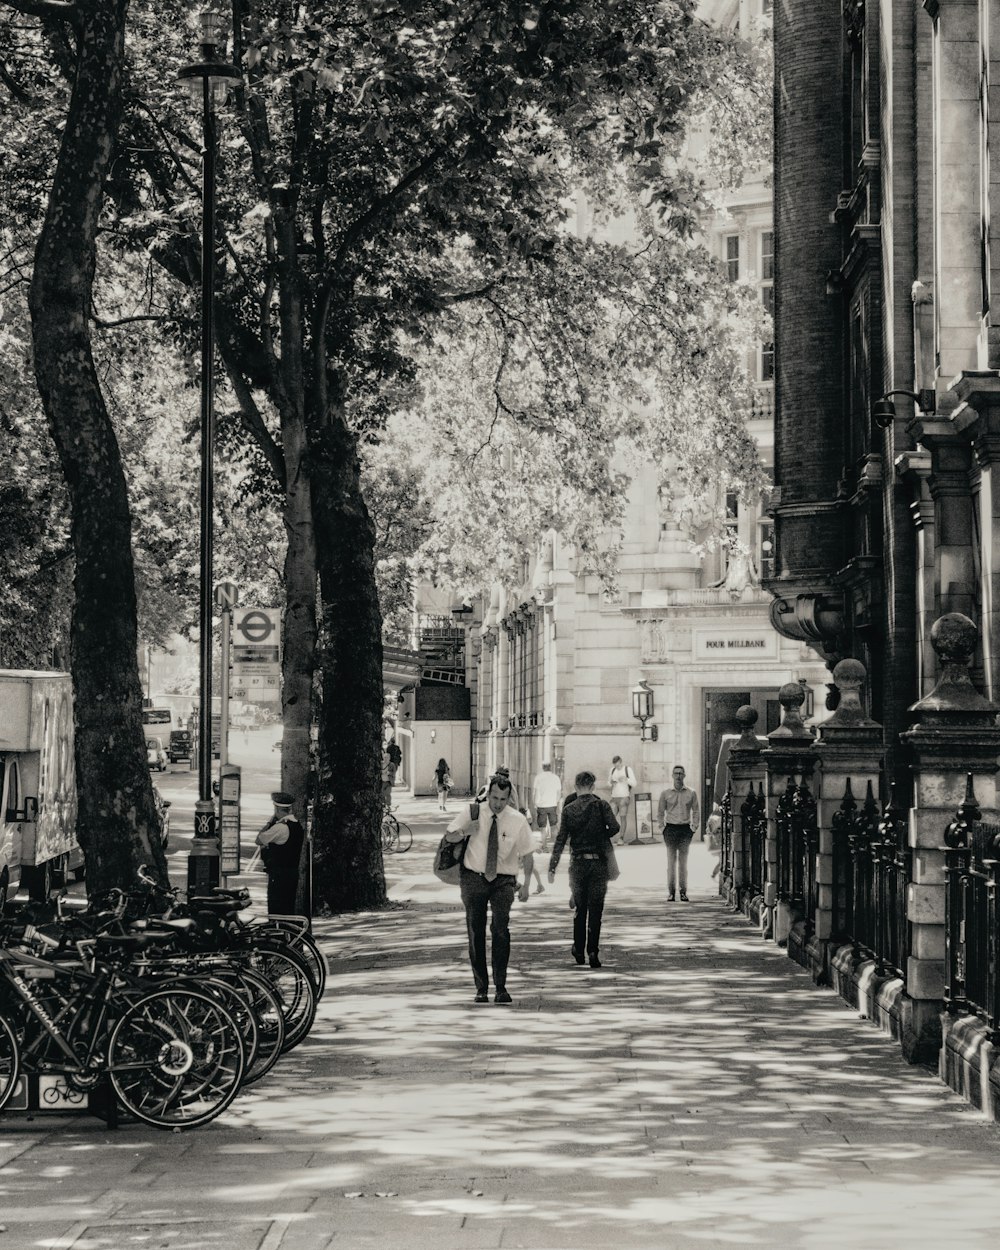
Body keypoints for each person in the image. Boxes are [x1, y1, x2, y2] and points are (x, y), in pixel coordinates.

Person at [445, 773, 534, 1004]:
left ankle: (501, 986)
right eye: (494, 798)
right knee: (476, 931)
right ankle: (481, 987)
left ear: (509, 798)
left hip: (503, 880)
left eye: (502, 799)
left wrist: (527, 884)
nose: (497, 804)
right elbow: (450, 835)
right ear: (488, 794)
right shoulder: (473, 811)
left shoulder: (517, 820)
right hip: (474, 877)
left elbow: (527, 852)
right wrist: (467, 830)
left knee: (501, 929)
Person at [547, 770, 619, 968]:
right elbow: (615, 827)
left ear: (576, 786)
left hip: (578, 864)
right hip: (598, 864)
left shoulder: (569, 809)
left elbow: (561, 839)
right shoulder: (601, 805)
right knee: (596, 910)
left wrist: (552, 866)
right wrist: (600, 833)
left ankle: (579, 949)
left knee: (580, 908)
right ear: (593, 786)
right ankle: (593, 951)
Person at [255, 791, 305, 916]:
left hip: (278, 875)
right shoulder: (297, 826)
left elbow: (259, 839)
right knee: (287, 910)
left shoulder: (280, 828)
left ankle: (278, 935)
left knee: (276, 911)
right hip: (292, 873)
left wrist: (269, 823)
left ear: (277, 809)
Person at [657, 765, 700, 902]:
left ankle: (683, 892)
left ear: (685, 775)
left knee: (683, 863)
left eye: (681, 773)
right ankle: (671, 892)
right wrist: (662, 827)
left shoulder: (691, 793)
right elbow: (660, 812)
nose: (678, 776)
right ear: (672, 775)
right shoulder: (665, 793)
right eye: (676, 773)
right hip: (670, 829)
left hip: (685, 830)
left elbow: (696, 811)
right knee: (671, 863)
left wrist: (694, 827)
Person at [532, 761, 562, 849]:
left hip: (541, 805)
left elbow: (535, 792)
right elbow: (559, 793)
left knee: (542, 827)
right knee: (553, 826)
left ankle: (544, 847)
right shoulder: (556, 778)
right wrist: (556, 802)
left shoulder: (538, 778)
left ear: (543, 768)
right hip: (552, 805)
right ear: (550, 767)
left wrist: (535, 804)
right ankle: (556, 847)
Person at [608, 755, 637, 845]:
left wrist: (626, 779)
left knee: (622, 817)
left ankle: (621, 837)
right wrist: (611, 782)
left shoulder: (627, 769)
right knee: (610, 818)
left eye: (618, 765)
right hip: (614, 797)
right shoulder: (612, 770)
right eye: (615, 766)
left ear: (621, 762)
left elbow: (634, 783)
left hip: (624, 796)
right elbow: (608, 782)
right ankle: (609, 837)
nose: (617, 767)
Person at [706, 803, 723, 879]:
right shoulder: (718, 817)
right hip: (720, 841)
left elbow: (708, 830)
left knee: (721, 859)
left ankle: (715, 873)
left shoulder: (712, 816)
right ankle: (715, 873)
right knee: (722, 859)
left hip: (718, 839)